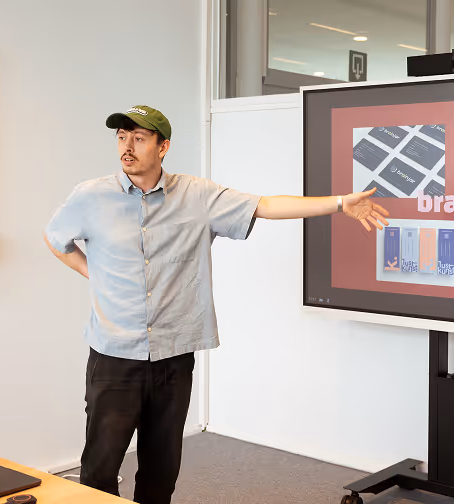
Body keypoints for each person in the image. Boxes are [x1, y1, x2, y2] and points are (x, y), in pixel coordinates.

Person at [43, 105, 389, 504]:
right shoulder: (90, 196)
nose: (127, 146)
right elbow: (56, 240)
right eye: (122, 137)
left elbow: (266, 205)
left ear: (163, 146)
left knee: (161, 469)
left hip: (174, 354)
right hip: (114, 354)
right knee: (100, 468)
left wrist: (340, 203)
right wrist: (96, 275)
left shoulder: (197, 195)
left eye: (138, 138)